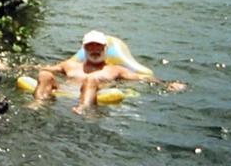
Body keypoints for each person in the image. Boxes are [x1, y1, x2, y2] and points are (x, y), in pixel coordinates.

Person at [34, 30, 186, 114]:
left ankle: (84, 108)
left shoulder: (115, 70)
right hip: (65, 93)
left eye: (98, 46)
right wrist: (21, 67)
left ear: (105, 48)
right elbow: (43, 68)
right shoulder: (69, 65)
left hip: (92, 94)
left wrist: (166, 84)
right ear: (84, 48)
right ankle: (38, 102)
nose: (94, 50)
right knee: (44, 74)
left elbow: (142, 78)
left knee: (91, 79)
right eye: (90, 46)